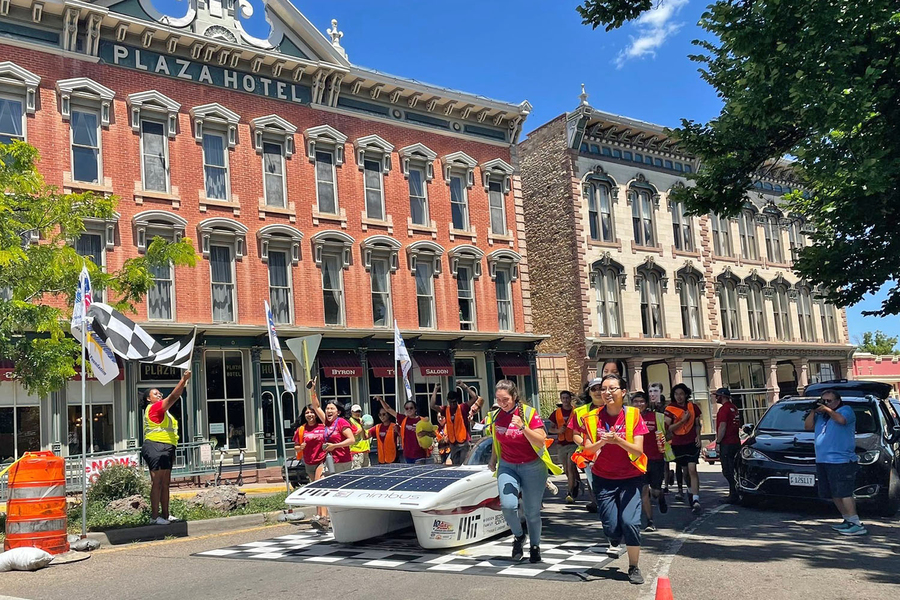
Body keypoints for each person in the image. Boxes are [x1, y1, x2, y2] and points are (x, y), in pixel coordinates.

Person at [573, 374, 648, 585]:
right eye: (604, 389)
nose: (607, 392)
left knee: (631, 523)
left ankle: (633, 567)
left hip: (630, 477)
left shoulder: (633, 415)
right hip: (603, 478)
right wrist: (602, 443)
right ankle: (614, 537)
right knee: (612, 528)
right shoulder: (592, 418)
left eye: (612, 388)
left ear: (623, 392)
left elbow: (638, 449)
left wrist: (618, 440)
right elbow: (587, 448)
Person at [486, 380, 562, 564]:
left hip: (532, 466)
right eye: (498, 399)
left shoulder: (528, 413)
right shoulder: (495, 415)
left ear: (514, 397)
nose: (502, 403)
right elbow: (498, 440)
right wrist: (493, 459)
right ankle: (519, 536)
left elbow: (540, 441)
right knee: (508, 506)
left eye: (506, 399)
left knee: (531, 512)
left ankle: (535, 546)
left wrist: (523, 426)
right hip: (508, 465)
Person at [804, 389, 866, 535]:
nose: (825, 403)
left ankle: (857, 524)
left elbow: (841, 420)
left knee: (844, 493)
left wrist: (826, 409)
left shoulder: (846, 410)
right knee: (834, 493)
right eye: (823, 400)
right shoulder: (822, 416)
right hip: (823, 460)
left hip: (841, 460)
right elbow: (808, 426)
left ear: (837, 401)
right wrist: (813, 411)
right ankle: (847, 519)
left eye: (828, 401)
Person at [140, 369, 192, 525]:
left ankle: (166, 514)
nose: (159, 395)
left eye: (159, 393)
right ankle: (155, 517)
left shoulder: (163, 412)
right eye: (155, 394)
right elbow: (174, 396)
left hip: (166, 447)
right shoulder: (155, 408)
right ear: (149, 399)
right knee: (158, 483)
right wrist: (183, 380)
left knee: (166, 483)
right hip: (156, 446)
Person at [631, 391, 672, 531]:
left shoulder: (656, 417)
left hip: (656, 459)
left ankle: (660, 496)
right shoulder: (628, 419)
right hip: (638, 460)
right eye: (636, 401)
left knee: (654, 491)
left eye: (641, 401)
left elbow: (669, 431)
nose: (639, 404)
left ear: (646, 403)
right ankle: (650, 522)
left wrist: (664, 439)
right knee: (644, 492)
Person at [665, 383, 703, 514]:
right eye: (676, 394)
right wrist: (682, 420)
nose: (679, 397)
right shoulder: (670, 408)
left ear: (686, 394)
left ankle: (696, 499)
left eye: (681, 394)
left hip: (692, 442)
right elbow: (668, 428)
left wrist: (698, 435)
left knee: (692, 469)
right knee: (685, 471)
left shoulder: (693, 407)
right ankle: (689, 489)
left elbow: (698, 424)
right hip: (678, 443)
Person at [430, 382, 482, 465]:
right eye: (451, 402)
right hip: (453, 443)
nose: (453, 404)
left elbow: (475, 397)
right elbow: (432, 406)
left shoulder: (463, 407)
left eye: (454, 402)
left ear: (457, 401)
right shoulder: (445, 409)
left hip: (464, 442)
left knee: (463, 464)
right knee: (455, 464)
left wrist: (464, 387)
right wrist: (435, 390)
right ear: (448, 401)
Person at [293, 406, 327, 522]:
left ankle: (324, 516)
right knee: (316, 489)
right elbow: (296, 447)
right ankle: (318, 514)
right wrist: (300, 447)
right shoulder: (301, 429)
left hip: (322, 460)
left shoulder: (323, 427)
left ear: (316, 414)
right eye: (307, 412)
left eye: (312, 412)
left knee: (320, 486)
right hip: (309, 462)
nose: (309, 414)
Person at [377, 396, 433, 464]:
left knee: (418, 472)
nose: (409, 410)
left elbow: (433, 434)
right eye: (407, 408)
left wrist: (425, 433)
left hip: (420, 454)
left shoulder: (422, 420)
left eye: (411, 408)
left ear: (415, 409)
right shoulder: (403, 419)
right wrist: (381, 400)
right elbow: (388, 409)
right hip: (407, 454)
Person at [547, 390, 579, 503]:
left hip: (573, 443)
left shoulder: (576, 411)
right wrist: (558, 430)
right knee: (565, 468)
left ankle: (569, 492)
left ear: (570, 399)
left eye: (567, 398)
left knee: (570, 467)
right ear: (561, 399)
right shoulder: (556, 413)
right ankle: (576, 482)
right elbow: (550, 429)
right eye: (563, 398)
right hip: (561, 443)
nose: (565, 400)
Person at [714, 388, 741, 504]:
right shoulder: (734, 408)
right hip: (736, 442)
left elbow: (722, 427)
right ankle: (735, 492)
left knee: (727, 470)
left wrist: (718, 442)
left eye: (717, 396)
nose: (716, 398)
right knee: (734, 468)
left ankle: (733, 494)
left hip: (727, 443)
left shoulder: (723, 410)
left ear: (722, 396)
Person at [349, 404, 371, 469]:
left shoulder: (363, 420)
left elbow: (367, 435)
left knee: (368, 470)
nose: (357, 413)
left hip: (365, 451)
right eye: (355, 412)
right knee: (357, 471)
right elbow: (354, 433)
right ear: (351, 412)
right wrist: (363, 427)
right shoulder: (350, 422)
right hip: (356, 452)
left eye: (358, 411)